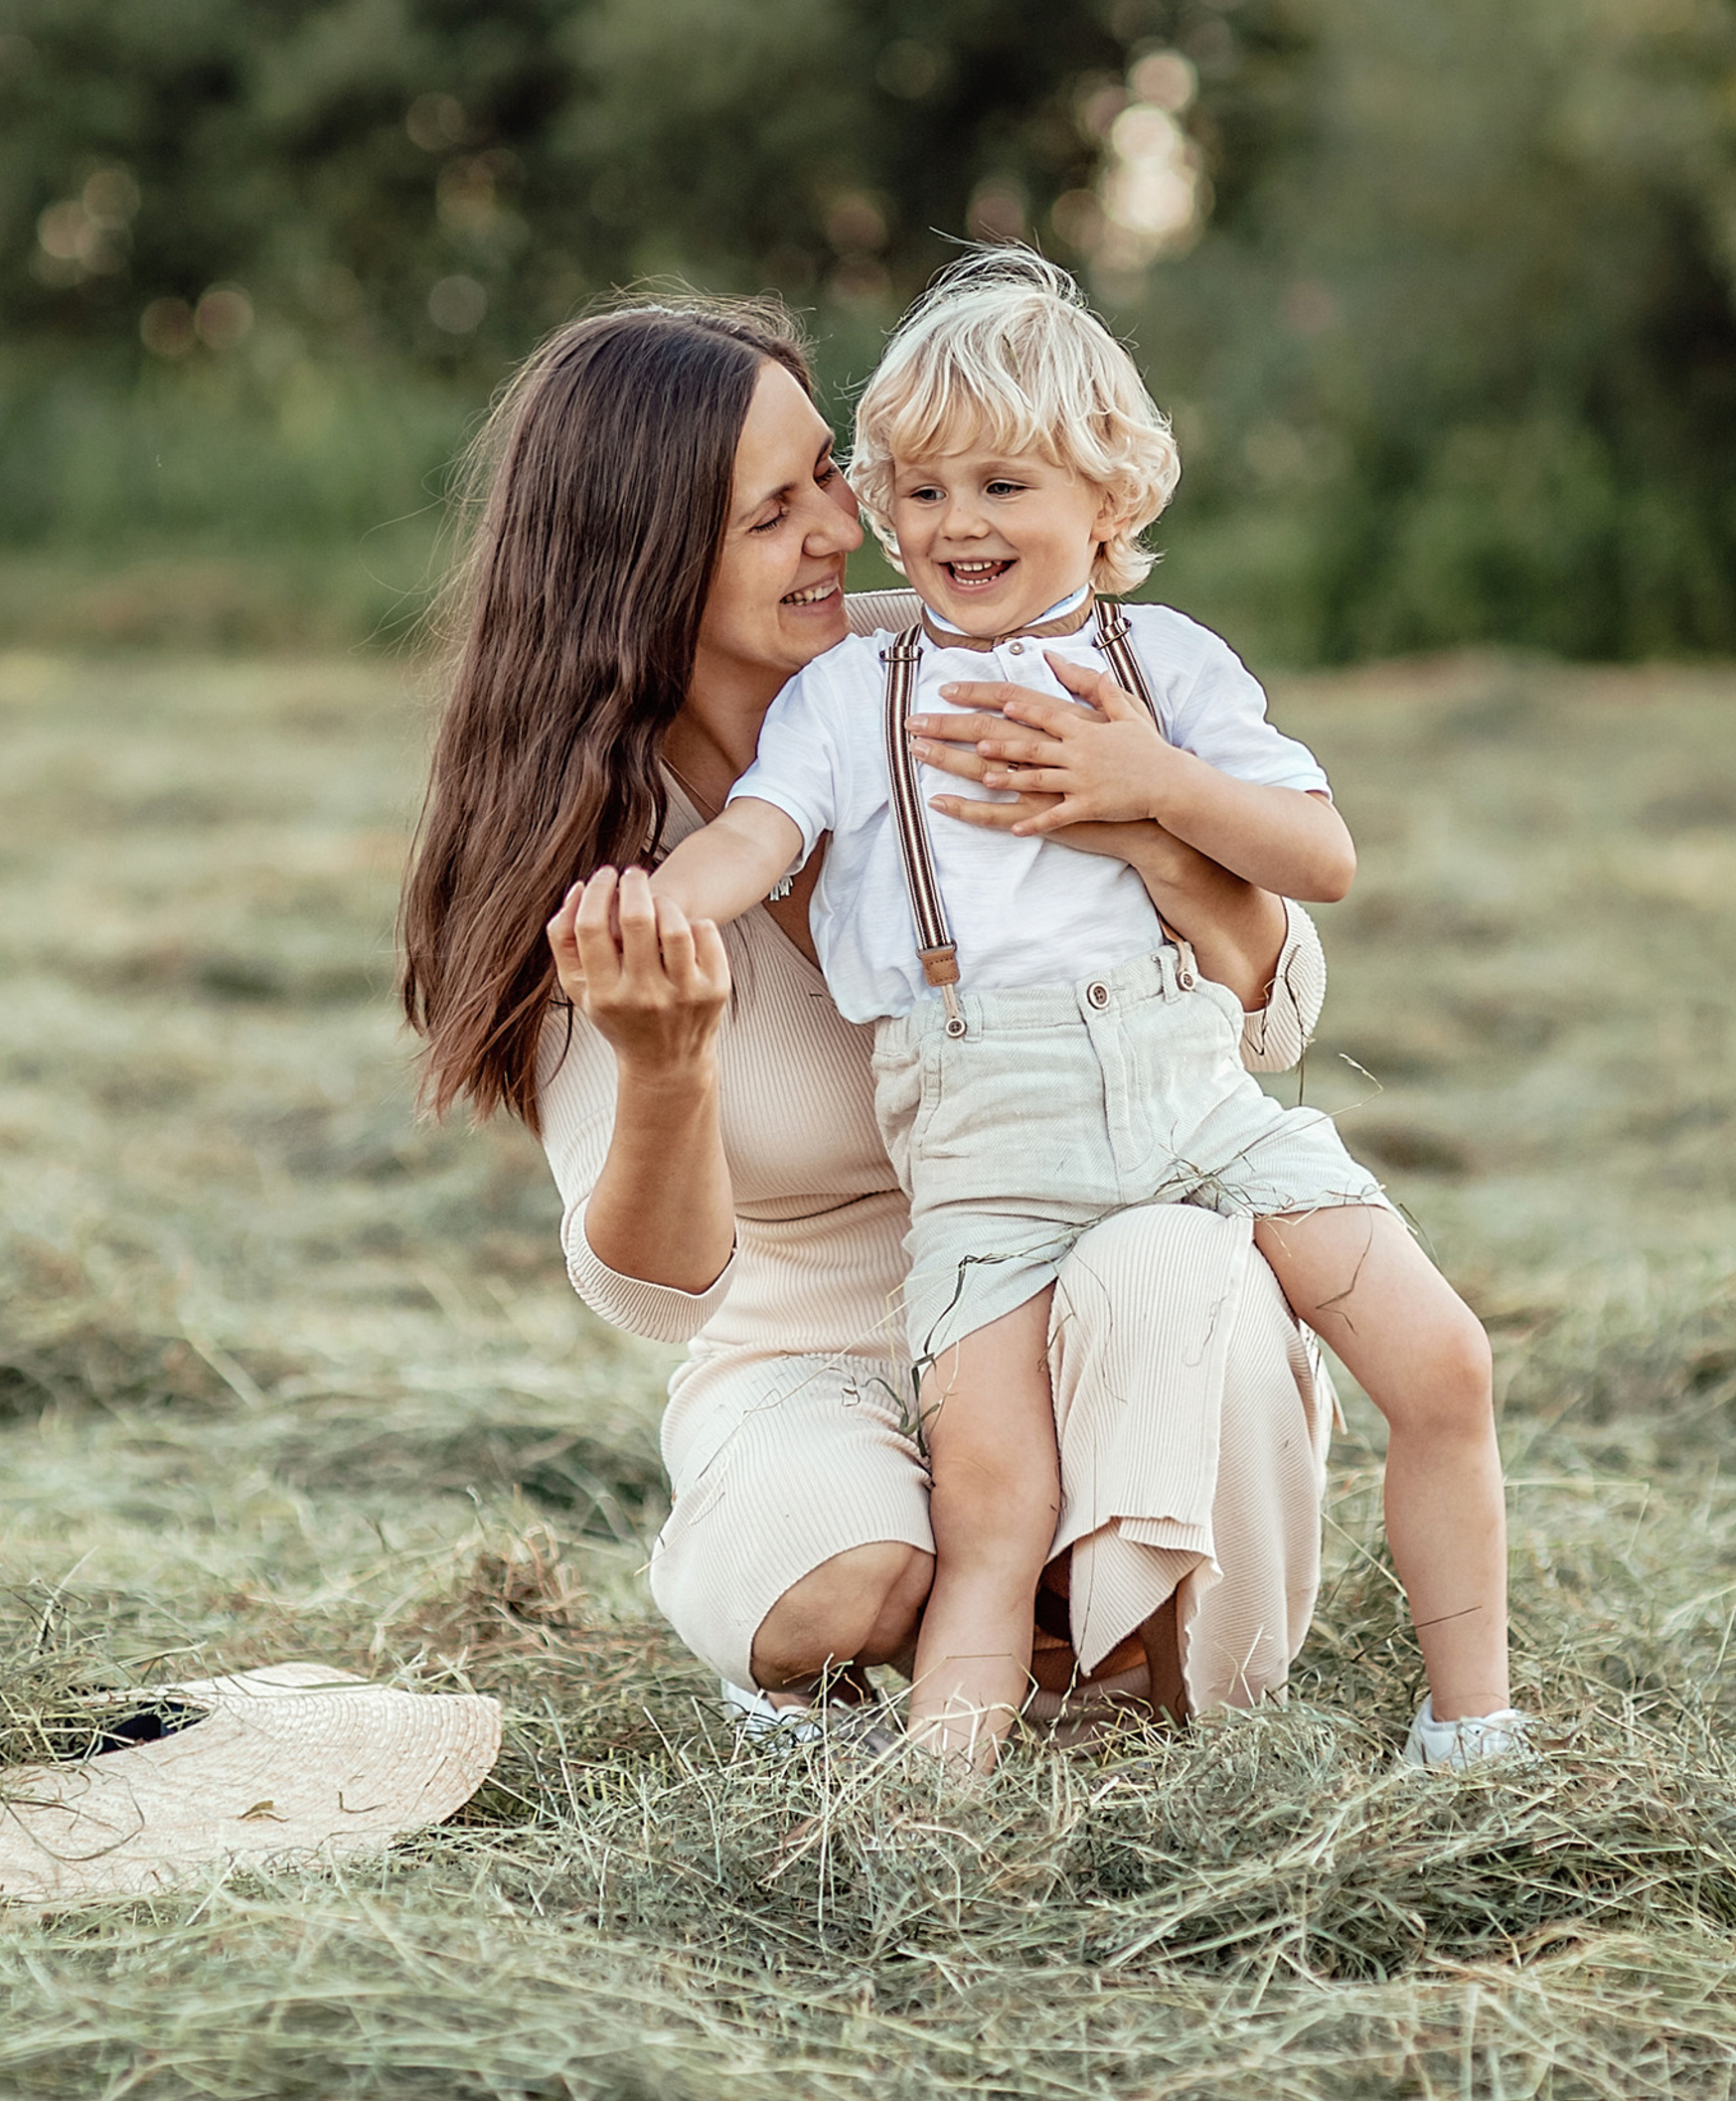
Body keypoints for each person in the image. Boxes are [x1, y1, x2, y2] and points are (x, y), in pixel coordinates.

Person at [397, 292, 1408, 1758]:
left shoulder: (954, 659)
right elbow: (652, 1296)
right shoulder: (595, 866)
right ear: (644, 556)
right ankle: (946, 1632)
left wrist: (1149, 833)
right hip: (824, 1350)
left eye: (830, 474)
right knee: (849, 1574)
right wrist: (667, 1069)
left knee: (1179, 1260)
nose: (845, 528)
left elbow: (1280, 1011)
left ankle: (1149, 1687)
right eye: (773, 513)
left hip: (1086, 1273)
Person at [645, 252, 1523, 1773]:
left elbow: (1321, 856)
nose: (956, 525)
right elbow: (762, 832)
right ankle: (933, 1824)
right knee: (998, 1509)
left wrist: (1150, 788)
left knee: (1444, 1365)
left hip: (1193, 1103)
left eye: (1003, 483)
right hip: (992, 1150)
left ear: (1107, 501)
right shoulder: (854, 692)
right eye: (916, 492)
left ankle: (1476, 1725)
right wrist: (665, 901)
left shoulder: (1167, 671)